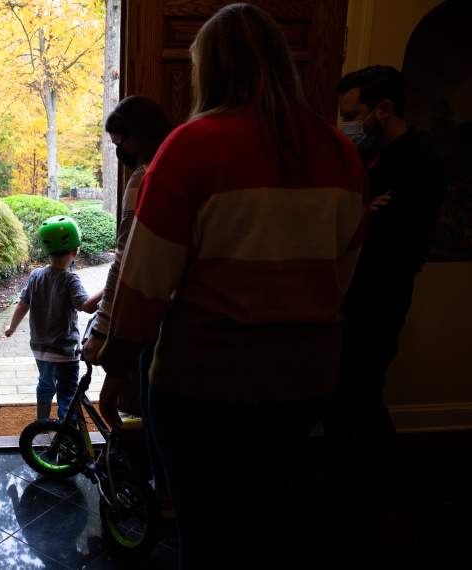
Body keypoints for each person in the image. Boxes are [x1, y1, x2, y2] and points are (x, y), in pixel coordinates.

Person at [96, 4, 370, 569]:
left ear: (209, 68)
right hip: (308, 377)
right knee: (269, 502)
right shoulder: (340, 152)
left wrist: (118, 364)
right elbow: (340, 273)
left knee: (205, 530)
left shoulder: (192, 147)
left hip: (206, 383)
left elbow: (147, 280)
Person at [324, 65, 448, 546]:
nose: (345, 125)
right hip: (340, 291)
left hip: (381, 296)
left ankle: (395, 495)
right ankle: (341, 486)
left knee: (361, 396)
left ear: (384, 109)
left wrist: (358, 219)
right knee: (334, 397)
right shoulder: (358, 155)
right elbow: (333, 218)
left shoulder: (424, 163)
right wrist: (364, 213)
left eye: (352, 115)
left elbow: (390, 237)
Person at [81, 95, 174, 514]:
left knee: (156, 407)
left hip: (155, 319)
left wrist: (102, 331)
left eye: (121, 143)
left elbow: (127, 257)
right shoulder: (189, 168)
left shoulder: (144, 177)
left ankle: (164, 491)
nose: (120, 153)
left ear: (137, 138)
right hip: (190, 311)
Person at [5, 216, 103, 419]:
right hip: (65, 352)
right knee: (67, 394)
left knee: (45, 385)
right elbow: (86, 306)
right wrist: (108, 288)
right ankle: (67, 438)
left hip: (41, 350)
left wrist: (12, 328)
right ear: (75, 252)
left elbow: (23, 304)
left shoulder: (35, 276)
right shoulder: (70, 279)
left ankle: (42, 422)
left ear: (45, 251)